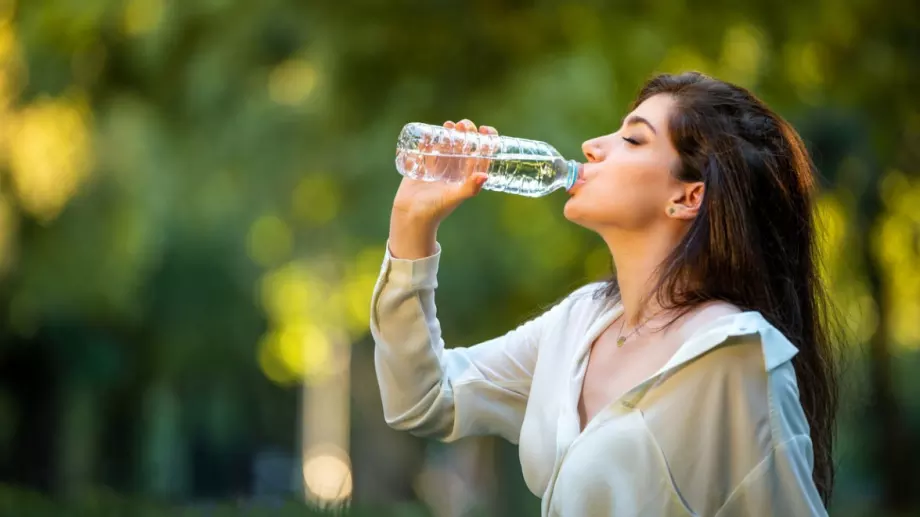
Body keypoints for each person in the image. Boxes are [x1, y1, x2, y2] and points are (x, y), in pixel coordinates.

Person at [369, 72, 838, 516]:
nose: (592, 148)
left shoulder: (732, 355)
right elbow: (424, 399)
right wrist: (412, 224)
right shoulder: (580, 322)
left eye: (632, 139)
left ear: (687, 197)